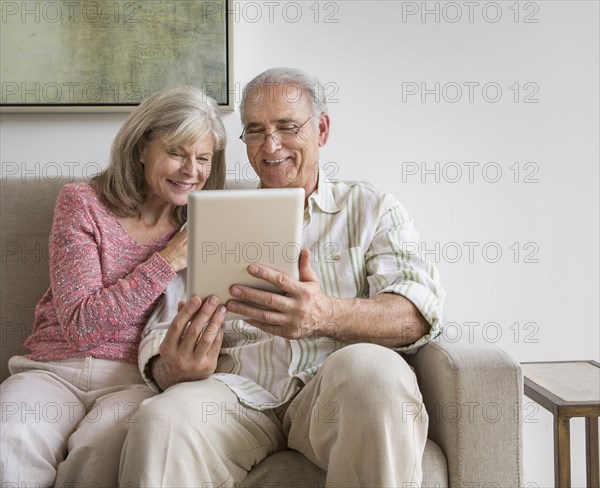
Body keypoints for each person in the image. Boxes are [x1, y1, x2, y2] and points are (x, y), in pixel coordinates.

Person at [119, 68, 445, 487]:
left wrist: (326, 315)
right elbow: (158, 337)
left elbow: (416, 312)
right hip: (234, 393)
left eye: (287, 127)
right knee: (161, 419)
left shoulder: (372, 209)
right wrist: (173, 367)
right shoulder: (209, 219)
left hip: (331, 394)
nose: (270, 146)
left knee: (375, 371)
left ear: (322, 129)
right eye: (255, 131)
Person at [0, 86, 227, 487]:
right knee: (11, 436)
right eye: (176, 152)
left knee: (103, 449)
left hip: (134, 380)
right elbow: (81, 325)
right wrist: (167, 260)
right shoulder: (82, 203)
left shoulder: (207, 227)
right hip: (52, 371)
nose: (192, 170)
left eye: (203, 158)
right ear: (142, 148)